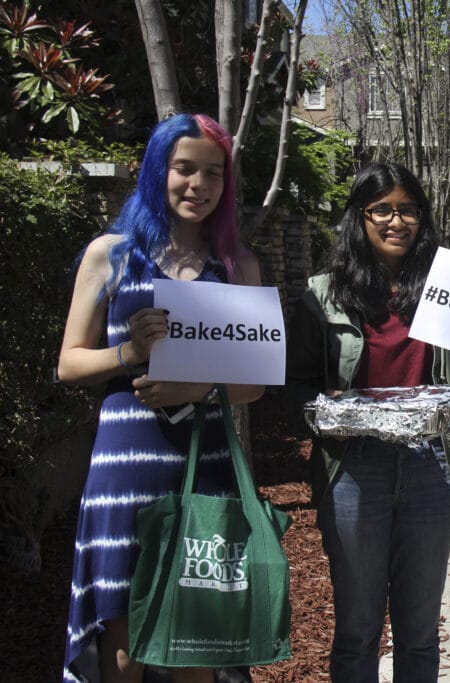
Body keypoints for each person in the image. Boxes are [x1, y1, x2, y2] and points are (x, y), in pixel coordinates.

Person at [285, 161, 450, 682]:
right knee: (357, 629)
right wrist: (324, 411)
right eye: (381, 209)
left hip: (431, 466)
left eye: (407, 210)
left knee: (420, 631)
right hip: (354, 471)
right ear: (359, 218)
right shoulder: (322, 294)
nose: (395, 221)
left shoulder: (448, 291)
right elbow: (293, 385)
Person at [58, 113, 265, 683]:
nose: (198, 185)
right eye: (184, 169)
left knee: (196, 636)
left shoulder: (237, 266)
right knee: (124, 642)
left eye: (213, 174)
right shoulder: (112, 255)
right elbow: (70, 362)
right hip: (127, 468)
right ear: (157, 170)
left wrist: (199, 387)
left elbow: (256, 382)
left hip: (208, 466)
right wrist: (130, 354)